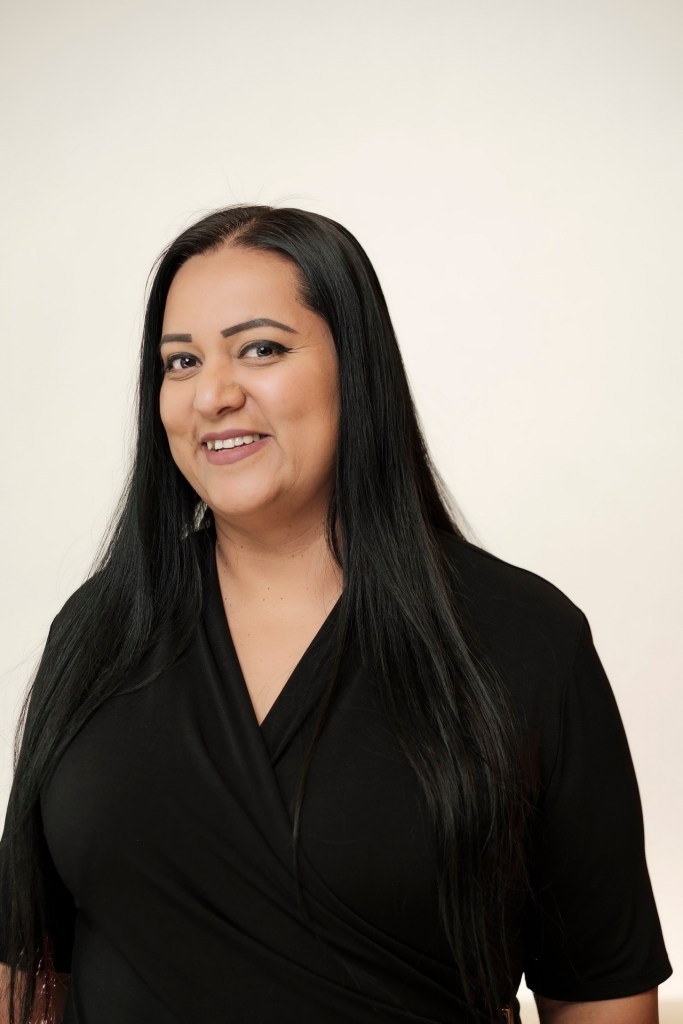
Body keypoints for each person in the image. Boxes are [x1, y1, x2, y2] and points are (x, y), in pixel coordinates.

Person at [0, 205, 672, 1024]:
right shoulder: (100, 631)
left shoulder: (522, 637)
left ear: (355, 366)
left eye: (261, 349)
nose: (213, 393)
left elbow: (600, 991)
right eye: (180, 362)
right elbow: (30, 970)